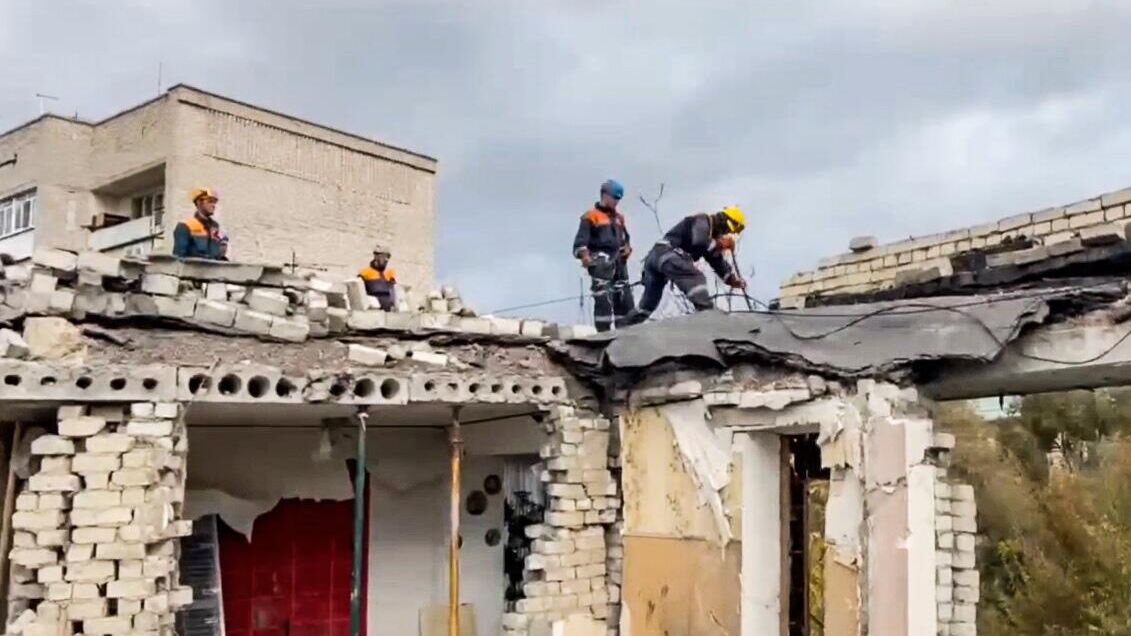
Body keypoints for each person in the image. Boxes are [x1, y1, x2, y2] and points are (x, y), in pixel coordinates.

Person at [626, 206, 748, 324]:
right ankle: (708, 313)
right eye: (727, 229)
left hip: (657, 259)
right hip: (667, 254)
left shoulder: (711, 238)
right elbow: (699, 241)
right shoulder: (702, 221)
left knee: (648, 304)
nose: (725, 233)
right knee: (695, 278)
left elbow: (716, 260)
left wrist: (731, 278)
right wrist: (721, 245)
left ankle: (625, 325)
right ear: (724, 220)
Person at [572, 179, 634, 332]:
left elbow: (626, 240)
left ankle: (626, 336)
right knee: (604, 303)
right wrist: (585, 256)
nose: (616, 202)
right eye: (614, 198)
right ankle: (603, 336)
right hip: (601, 267)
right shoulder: (590, 217)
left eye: (619, 199)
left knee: (625, 303)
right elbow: (579, 244)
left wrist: (627, 249)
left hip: (620, 267)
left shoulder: (619, 218)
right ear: (605, 195)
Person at [173, 188, 226, 260]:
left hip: (213, 270)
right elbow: (179, 258)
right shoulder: (185, 226)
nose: (213, 205)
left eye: (214, 202)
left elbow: (218, 254)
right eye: (210, 201)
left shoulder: (215, 227)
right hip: (194, 270)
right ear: (199, 202)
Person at [359, 245, 397, 311]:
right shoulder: (364, 273)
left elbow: (393, 292)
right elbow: (359, 294)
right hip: (373, 312)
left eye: (388, 257)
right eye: (384, 256)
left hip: (389, 312)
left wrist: (395, 306)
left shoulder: (390, 273)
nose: (386, 259)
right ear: (376, 256)